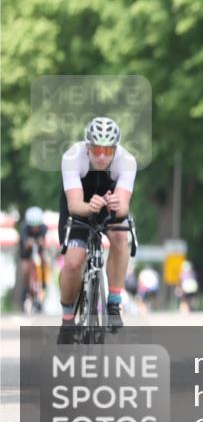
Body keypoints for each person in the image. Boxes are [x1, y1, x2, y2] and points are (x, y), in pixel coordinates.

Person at [57, 117, 137, 343]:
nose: (102, 156)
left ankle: (113, 302)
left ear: (115, 149)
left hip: (108, 204)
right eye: (97, 149)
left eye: (108, 150)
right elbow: (74, 205)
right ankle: (67, 319)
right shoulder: (72, 157)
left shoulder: (127, 161)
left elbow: (123, 206)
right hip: (79, 206)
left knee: (121, 234)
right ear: (88, 146)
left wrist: (115, 205)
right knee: (73, 262)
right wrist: (88, 206)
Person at [18, 206, 50, 313]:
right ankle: (25, 289)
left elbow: (45, 241)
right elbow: (24, 242)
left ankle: (44, 282)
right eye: (33, 226)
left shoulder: (44, 228)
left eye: (37, 226)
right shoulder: (24, 228)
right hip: (26, 253)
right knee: (25, 269)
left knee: (44, 260)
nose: (35, 228)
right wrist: (29, 242)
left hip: (39, 250)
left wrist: (42, 242)